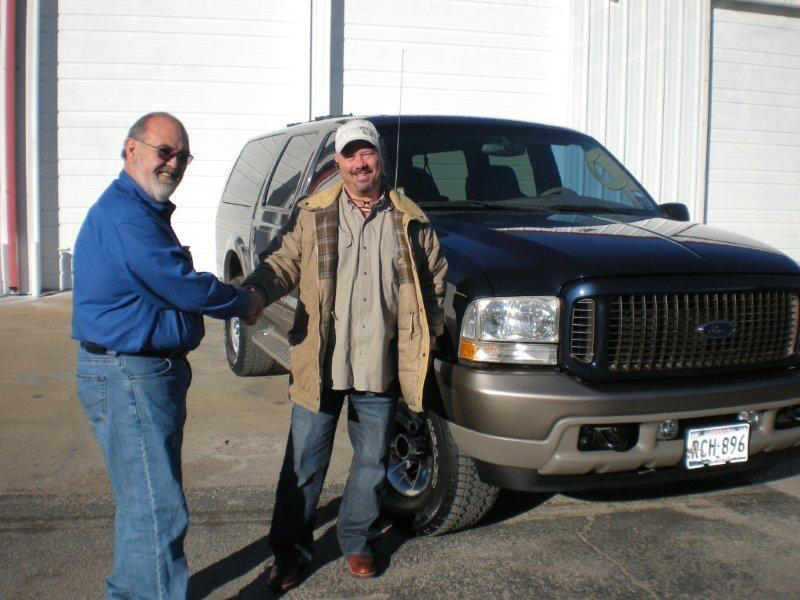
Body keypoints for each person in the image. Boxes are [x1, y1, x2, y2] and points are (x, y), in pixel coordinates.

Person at [242, 119, 447, 590]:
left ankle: (357, 541)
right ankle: (289, 553)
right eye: (350, 155)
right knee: (304, 464)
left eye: (366, 153)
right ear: (338, 163)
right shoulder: (314, 214)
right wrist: (255, 292)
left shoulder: (409, 220)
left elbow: (433, 280)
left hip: (380, 362)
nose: (360, 163)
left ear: (379, 157)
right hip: (322, 361)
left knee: (372, 461)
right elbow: (283, 262)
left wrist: (427, 335)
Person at [72, 111, 262, 599]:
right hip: (129, 375)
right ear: (131, 149)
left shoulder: (137, 210)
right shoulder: (128, 218)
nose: (173, 164)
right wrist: (244, 301)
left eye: (182, 156)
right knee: (157, 510)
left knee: (144, 503)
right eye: (164, 151)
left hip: (134, 373)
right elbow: (183, 285)